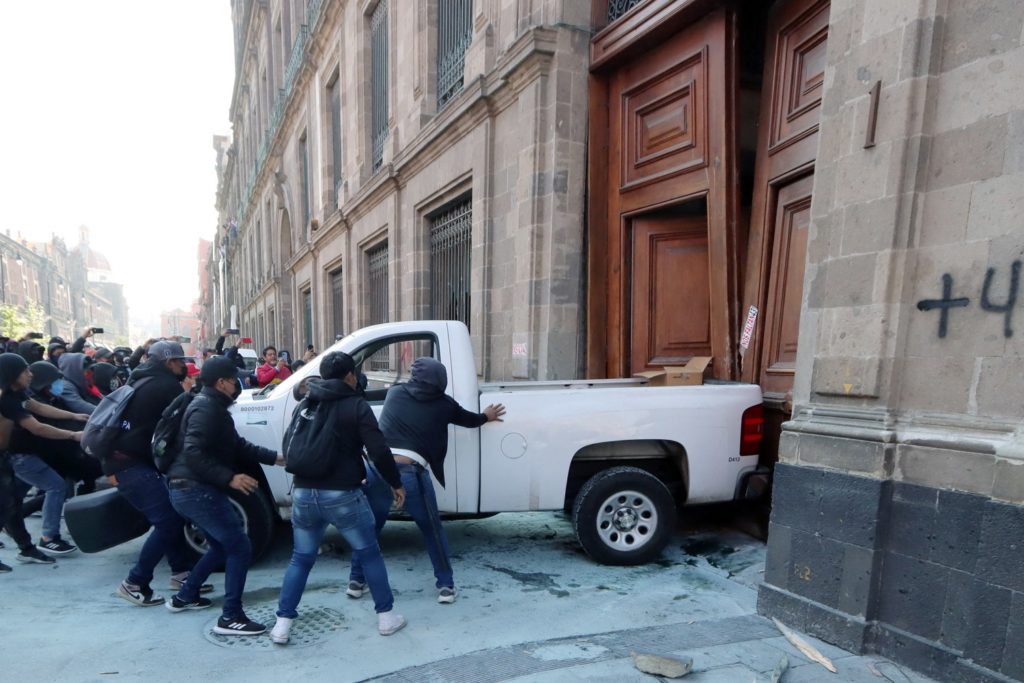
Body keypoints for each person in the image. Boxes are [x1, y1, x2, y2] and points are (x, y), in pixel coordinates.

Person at [272, 352, 407, 644]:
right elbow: (379, 450)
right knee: (369, 552)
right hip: (343, 494)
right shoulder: (355, 405)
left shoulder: (307, 402)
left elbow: (289, 442)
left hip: (304, 493)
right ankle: (386, 618)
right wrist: (395, 483)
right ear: (350, 376)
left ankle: (282, 625)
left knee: (301, 558)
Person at [349, 357, 505, 605]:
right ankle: (446, 586)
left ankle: (356, 581)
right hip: (409, 473)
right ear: (440, 381)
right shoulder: (444, 405)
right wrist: (486, 415)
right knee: (432, 530)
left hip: (378, 468)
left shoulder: (395, 393)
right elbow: (470, 420)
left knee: (370, 528)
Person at [164, 356, 282, 635]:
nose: (238, 385)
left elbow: (237, 446)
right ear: (221, 382)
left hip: (188, 489)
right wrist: (229, 477)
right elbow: (193, 452)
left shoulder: (213, 407)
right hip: (194, 490)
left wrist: (276, 458)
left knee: (219, 546)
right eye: (234, 380)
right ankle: (231, 617)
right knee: (239, 546)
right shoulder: (206, 409)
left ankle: (186, 595)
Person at [105, 341, 208, 607]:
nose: (182, 366)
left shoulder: (141, 378)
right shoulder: (166, 386)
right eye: (178, 361)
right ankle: (134, 582)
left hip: (124, 461)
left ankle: (181, 573)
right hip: (130, 465)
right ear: (167, 362)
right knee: (169, 519)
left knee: (169, 516)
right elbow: (187, 422)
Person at [0, 353, 88, 556]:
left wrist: (73, 415)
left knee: (11, 503)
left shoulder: (17, 394)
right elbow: (37, 428)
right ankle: (49, 538)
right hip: (14, 456)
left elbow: (39, 407)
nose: (30, 375)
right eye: (25, 371)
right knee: (55, 486)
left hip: (11, 455)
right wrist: (73, 434)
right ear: (13, 375)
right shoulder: (6, 400)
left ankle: (27, 548)